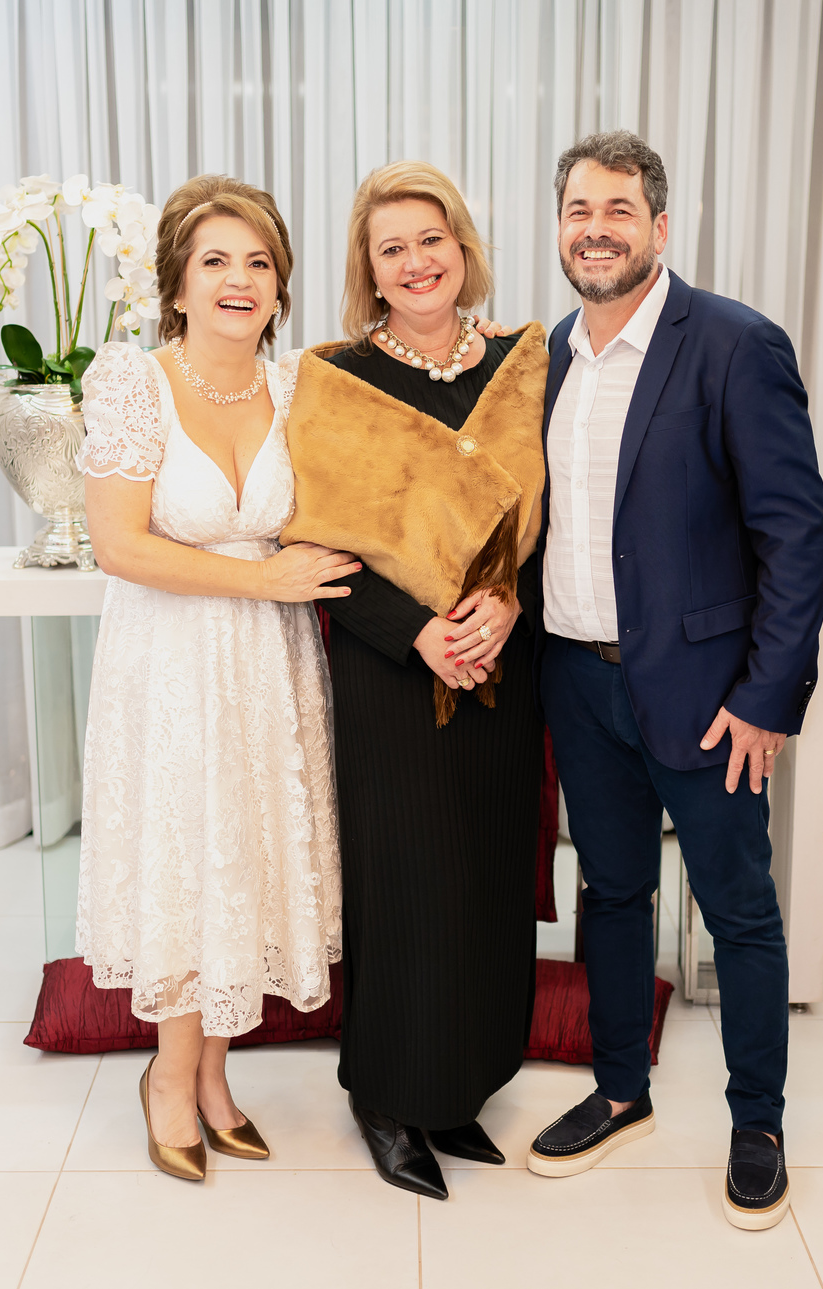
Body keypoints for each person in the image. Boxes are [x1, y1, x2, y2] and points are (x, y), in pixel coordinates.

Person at [526, 132, 823, 1231]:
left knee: (738, 908)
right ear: (560, 227)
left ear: (659, 226)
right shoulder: (551, 353)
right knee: (612, 894)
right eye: (578, 209)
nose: (595, 228)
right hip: (578, 678)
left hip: (707, 694)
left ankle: (759, 1124)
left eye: (618, 209)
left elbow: (796, 536)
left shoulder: (737, 345)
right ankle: (620, 1091)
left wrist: (765, 696)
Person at [77, 175, 356, 1182]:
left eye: (259, 262)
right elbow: (119, 544)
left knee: (244, 858)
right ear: (178, 284)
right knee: (185, 859)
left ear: (280, 286)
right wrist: (267, 577)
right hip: (170, 663)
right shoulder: (133, 382)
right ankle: (167, 1074)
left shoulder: (300, 386)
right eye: (216, 261)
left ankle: (214, 1075)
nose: (239, 279)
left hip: (269, 667)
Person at [279, 161, 548, 1201]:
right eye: (391, 248)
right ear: (370, 270)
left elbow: (550, 516)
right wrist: (418, 631)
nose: (416, 261)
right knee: (405, 884)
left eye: (431, 238)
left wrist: (508, 603)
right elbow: (318, 543)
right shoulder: (334, 378)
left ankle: (456, 1085)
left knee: (485, 876)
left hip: (501, 663)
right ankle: (388, 1096)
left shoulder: (524, 363)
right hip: (393, 670)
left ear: (463, 247)